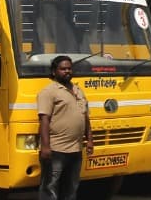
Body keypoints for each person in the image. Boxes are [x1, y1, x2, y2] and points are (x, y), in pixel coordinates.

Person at [37, 55, 93, 200]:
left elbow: (85, 117)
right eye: (63, 69)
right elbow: (44, 120)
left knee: (71, 187)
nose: (67, 71)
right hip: (56, 150)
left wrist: (90, 140)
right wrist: (45, 147)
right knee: (50, 187)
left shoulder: (78, 90)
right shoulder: (49, 92)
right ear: (54, 71)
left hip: (75, 150)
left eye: (69, 68)